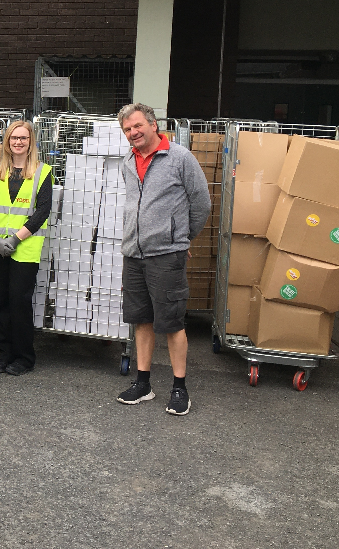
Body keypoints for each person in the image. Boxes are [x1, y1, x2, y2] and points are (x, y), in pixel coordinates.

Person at [115, 102, 210, 416]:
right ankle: (143, 383)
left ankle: (180, 388)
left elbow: (201, 204)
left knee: (171, 323)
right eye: (127, 129)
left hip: (167, 256)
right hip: (134, 254)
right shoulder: (128, 161)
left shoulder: (180, 158)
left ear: (153, 124)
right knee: (141, 321)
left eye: (137, 126)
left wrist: (181, 239)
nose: (133, 133)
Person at [0, 121, 54, 376]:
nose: (18, 142)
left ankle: (24, 357)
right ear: (7, 141)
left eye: (23, 138)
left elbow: (42, 211)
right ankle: (5, 354)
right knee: (2, 303)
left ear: (30, 142)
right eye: (14, 138)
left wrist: (15, 239)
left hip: (24, 248)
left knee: (19, 302)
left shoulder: (43, 172)